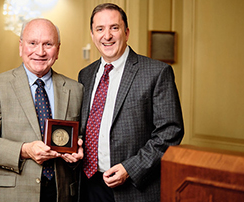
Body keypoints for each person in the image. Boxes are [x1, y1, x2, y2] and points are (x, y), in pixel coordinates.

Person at [0, 18, 84, 202]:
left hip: (62, 194)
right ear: (21, 47)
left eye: (48, 44)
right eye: (33, 43)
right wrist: (24, 150)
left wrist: (78, 147)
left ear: (58, 49)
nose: (40, 52)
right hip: (14, 195)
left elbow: (80, 137)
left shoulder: (75, 89)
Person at [78, 3, 184, 202]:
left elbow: (170, 132)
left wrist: (130, 169)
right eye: (100, 29)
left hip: (134, 188)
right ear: (92, 35)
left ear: (126, 32)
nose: (107, 36)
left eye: (114, 28)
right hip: (89, 184)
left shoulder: (156, 72)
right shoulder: (86, 74)